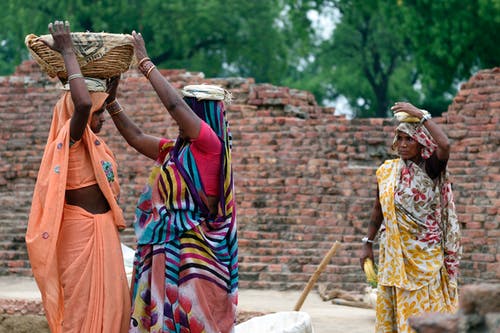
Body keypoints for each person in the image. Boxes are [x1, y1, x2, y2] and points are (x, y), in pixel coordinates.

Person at [104, 30, 238, 332]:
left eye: (192, 109)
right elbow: (136, 138)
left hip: (194, 258)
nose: (184, 114)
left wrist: (146, 63)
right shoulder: (175, 152)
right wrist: (112, 103)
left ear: (203, 114)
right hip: (163, 251)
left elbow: (175, 107)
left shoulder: (210, 146)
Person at [25, 21, 130, 333]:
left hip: (104, 232)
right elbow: (84, 103)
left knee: (113, 305)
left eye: (101, 113)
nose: (101, 119)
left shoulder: (92, 142)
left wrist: (114, 78)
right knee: (80, 311)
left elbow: (101, 100)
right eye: (98, 115)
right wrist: (69, 51)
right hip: (78, 234)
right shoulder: (69, 137)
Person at [360, 102, 461, 333]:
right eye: (400, 139)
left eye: (409, 139)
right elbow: (379, 208)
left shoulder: (429, 169)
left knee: (425, 311)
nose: (403, 145)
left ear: (421, 142)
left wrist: (421, 115)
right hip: (393, 254)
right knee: (396, 312)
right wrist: (367, 243)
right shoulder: (387, 171)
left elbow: (445, 144)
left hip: (423, 255)